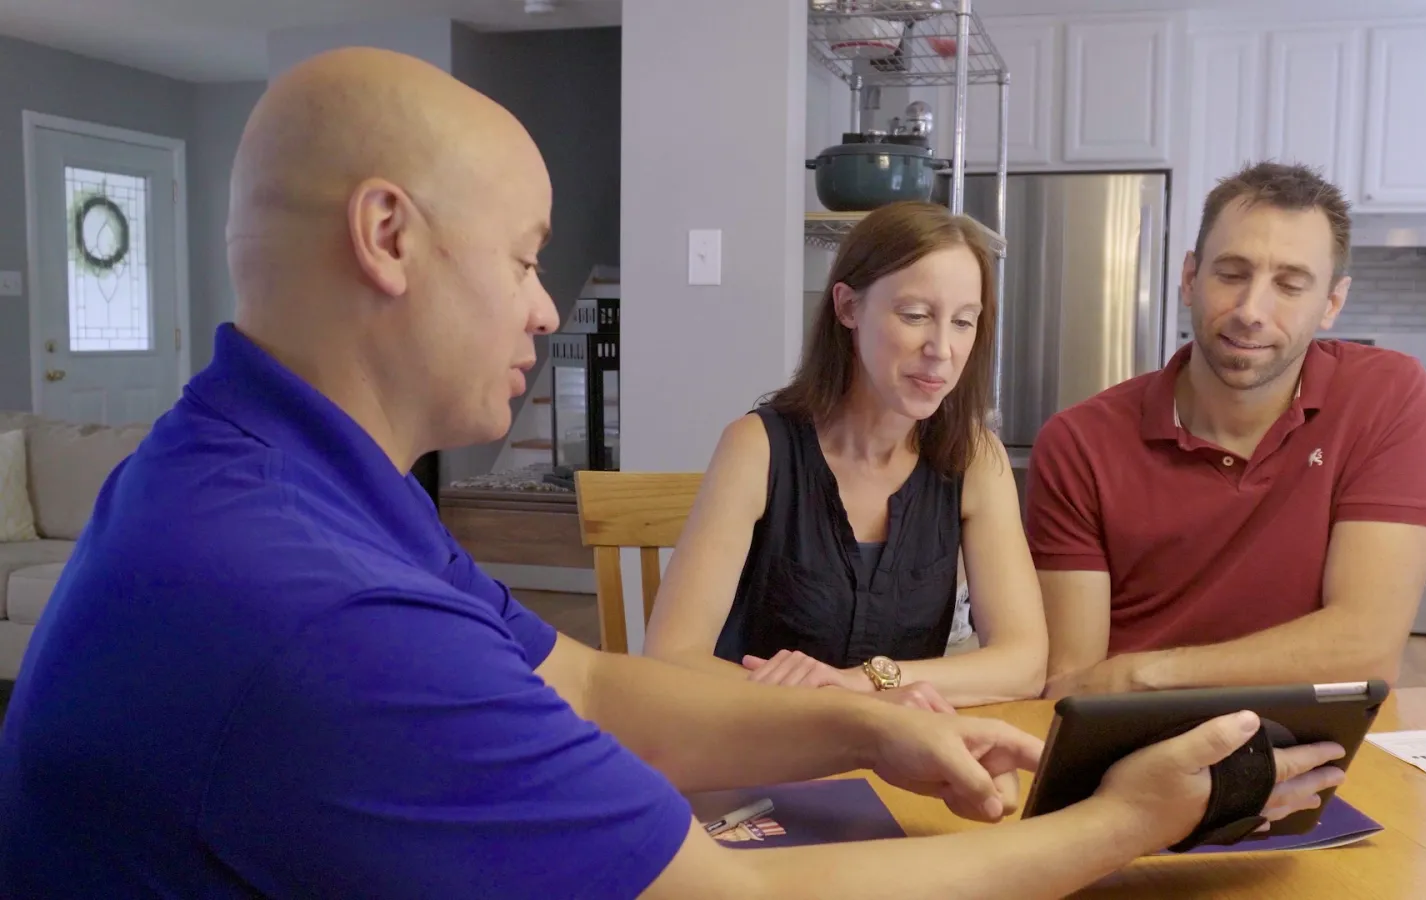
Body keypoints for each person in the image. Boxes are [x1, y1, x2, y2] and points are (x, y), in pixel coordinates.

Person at [0, 51, 1345, 899]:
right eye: (526, 256)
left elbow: (583, 682)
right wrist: (1129, 823)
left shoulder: (283, 478)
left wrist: (867, 726)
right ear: (388, 235)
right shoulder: (313, 610)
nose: (545, 308)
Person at [1025, 161, 1426, 699]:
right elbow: (1070, 686)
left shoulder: (1386, 394)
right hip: (1132, 748)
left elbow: (1367, 648)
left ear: (1331, 304)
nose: (1251, 311)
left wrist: (1143, 672)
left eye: (1290, 285)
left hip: (1306, 741)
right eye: (1231, 274)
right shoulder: (1079, 443)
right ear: (1189, 278)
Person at [642, 202, 1046, 711]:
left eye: (964, 322)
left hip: (899, 758)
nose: (942, 348)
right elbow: (670, 658)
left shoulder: (975, 458)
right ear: (848, 307)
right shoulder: (756, 448)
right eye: (915, 315)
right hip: (763, 751)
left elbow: (1025, 663)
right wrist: (826, 706)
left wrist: (865, 682)